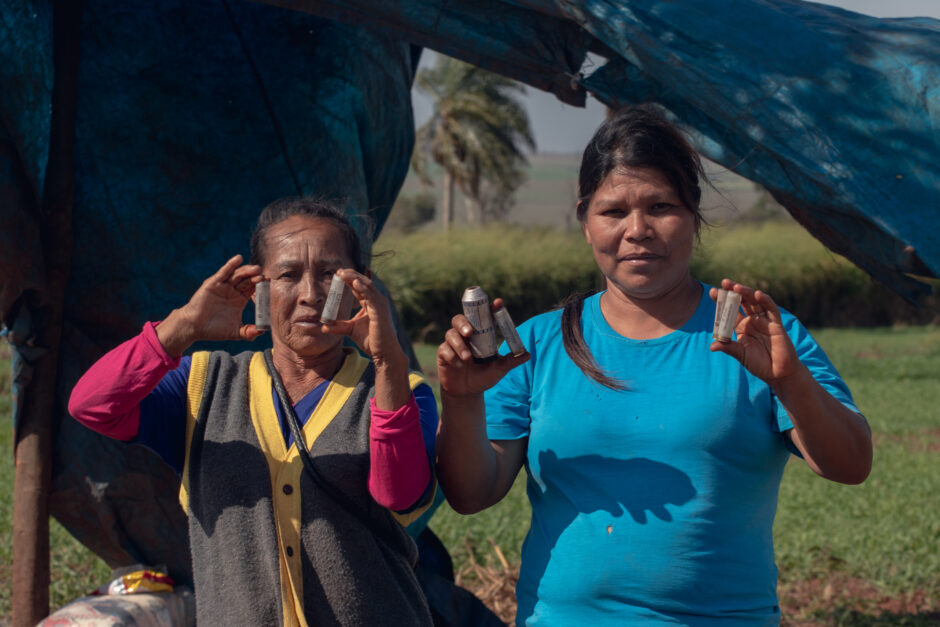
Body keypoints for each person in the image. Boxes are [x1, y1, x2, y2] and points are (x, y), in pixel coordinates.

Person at [435, 106, 872, 626]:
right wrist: (461, 399)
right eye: (614, 211)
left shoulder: (754, 335)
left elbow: (850, 465)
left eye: (661, 206)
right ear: (584, 221)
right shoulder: (534, 346)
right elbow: (471, 494)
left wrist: (791, 382)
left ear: (693, 216)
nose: (637, 229)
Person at [69, 197, 437, 625]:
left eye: (329, 275)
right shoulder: (201, 386)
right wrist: (184, 324)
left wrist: (388, 361)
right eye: (287, 275)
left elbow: (401, 493)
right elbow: (92, 405)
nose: (309, 295)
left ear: (361, 288)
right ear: (258, 288)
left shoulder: (400, 392)